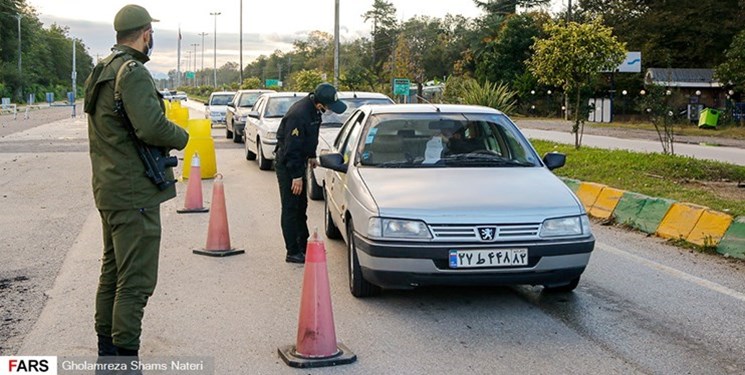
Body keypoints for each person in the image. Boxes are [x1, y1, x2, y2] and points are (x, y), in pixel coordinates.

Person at [83, 4, 189, 359]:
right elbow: (151, 127)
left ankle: (106, 352)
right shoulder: (134, 72)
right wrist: (182, 136)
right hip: (134, 193)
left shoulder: (102, 69)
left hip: (110, 188)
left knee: (112, 272)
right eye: (151, 33)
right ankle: (125, 358)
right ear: (146, 34)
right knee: (136, 280)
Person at [275, 83, 347, 263]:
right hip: (289, 165)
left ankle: (303, 245)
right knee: (291, 208)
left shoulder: (314, 111)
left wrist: (311, 156)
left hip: (300, 161)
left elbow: (310, 138)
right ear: (321, 103)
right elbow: (291, 149)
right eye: (329, 107)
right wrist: (296, 177)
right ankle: (292, 251)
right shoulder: (298, 114)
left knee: (301, 207)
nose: (330, 110)